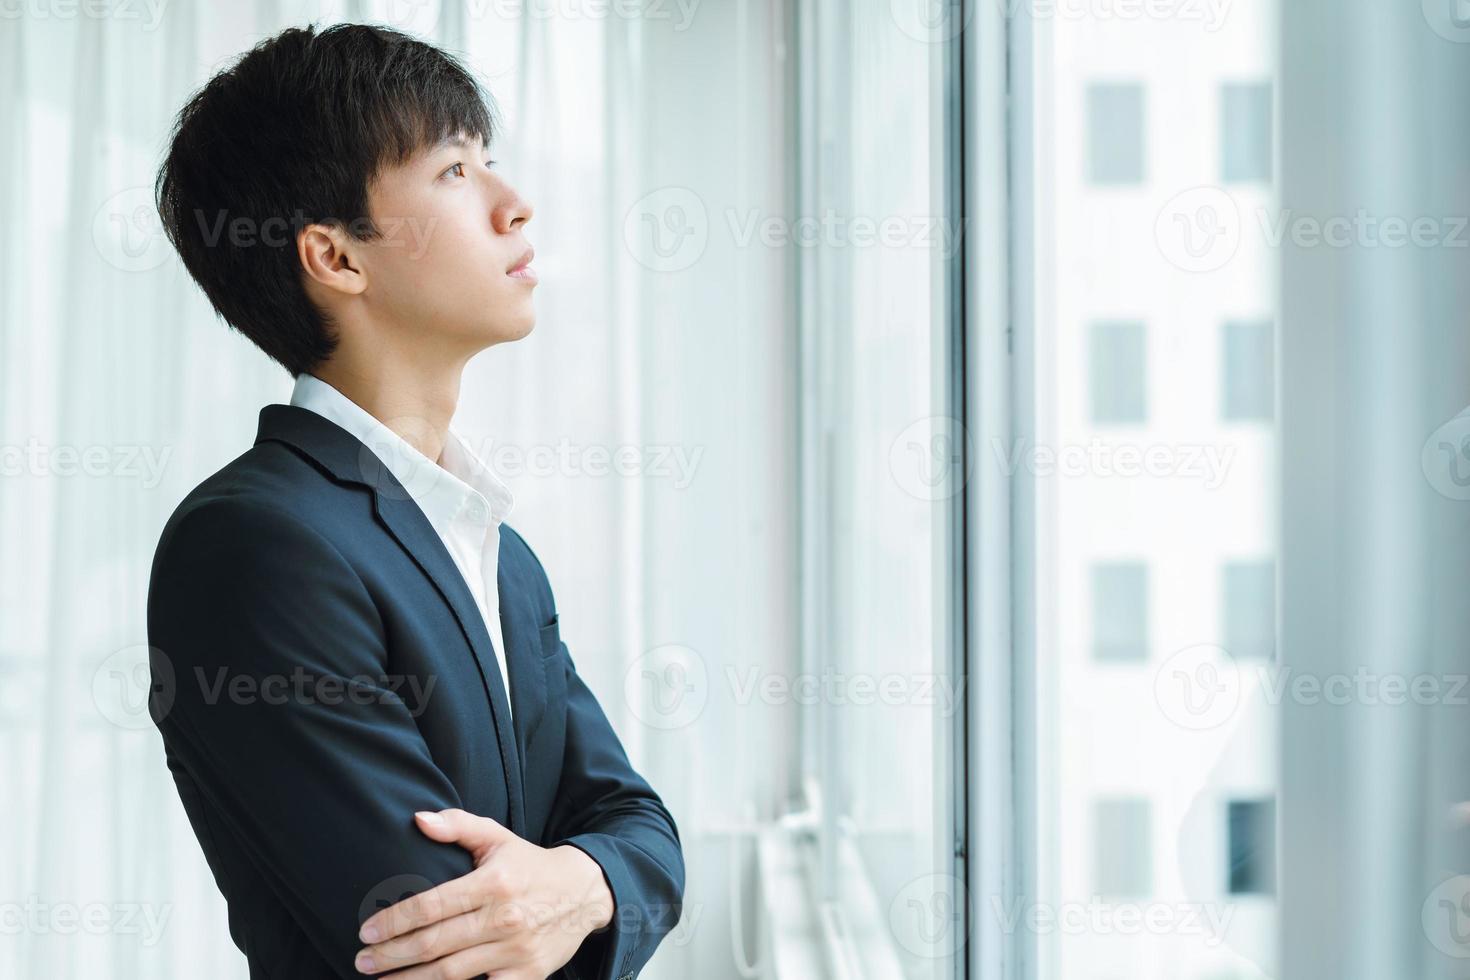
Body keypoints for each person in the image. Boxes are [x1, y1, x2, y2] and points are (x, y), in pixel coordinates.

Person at [145, 22, 683, 979]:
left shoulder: (497, 552)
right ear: (337, 258)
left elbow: (642, 831)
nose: (514, 207)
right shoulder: (257, 543)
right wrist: (588, 881)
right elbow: (445, 941)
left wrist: (583, 883)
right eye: (453, 172)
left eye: (491, 163)